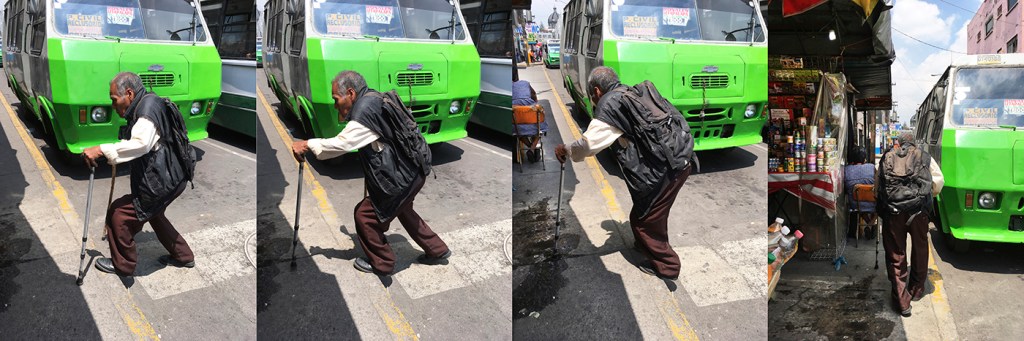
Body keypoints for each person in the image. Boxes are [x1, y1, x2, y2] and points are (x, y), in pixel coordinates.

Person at [290, 70, 450, 275]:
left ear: (351, 93)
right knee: (403, 209)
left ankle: (383, 263)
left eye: (336, 99)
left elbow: (341, 144)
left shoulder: (364, 111)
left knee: (365, 216)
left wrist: (307, 144)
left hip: (403, 178)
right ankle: (437, 249)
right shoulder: (374, 97)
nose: (335, 104)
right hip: (415, 170)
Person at [554, 66, 695, 280]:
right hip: (680, 158)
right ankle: (644, 246)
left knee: (643, 221)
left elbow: (588, 145)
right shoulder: (630, 92)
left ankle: (668, 266)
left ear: (597, 91)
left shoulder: (610, 103)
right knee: (648, 213)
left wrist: (565, 149)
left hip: (667, 171)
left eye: (592, 94)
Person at [82, 72, 195, 276]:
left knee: (118, 214)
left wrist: (101, 149)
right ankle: (183, 255)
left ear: (129, 93)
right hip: (174, 177)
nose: (113, 105)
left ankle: (123, 265)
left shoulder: (146, 110)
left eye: (114, 100)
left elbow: (141, 144)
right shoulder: (147, 101)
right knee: (155, 214)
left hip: (163, 182)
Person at [875, 132, 943, 317]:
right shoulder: (925, 157)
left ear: (899, 143)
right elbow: (938, 183)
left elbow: (878, 186)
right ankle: (917, 289)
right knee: (920, 249)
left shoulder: (887, 157)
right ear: (914, 143)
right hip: (919, 213)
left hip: (893, 213)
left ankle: (901, 300)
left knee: (896, 253)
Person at [512, 69, 546, 161]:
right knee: (539, 130)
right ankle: (532, 148)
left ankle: (530, 147)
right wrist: (534, 103)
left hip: (517, 127)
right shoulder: (525, 83)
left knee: (518, 134)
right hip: (535, 126)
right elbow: (533, 94)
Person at [844, 146, 876, 236]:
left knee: (860, 204)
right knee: (880, 206)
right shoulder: (871, 167)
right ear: (864, 158)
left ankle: (869, 224)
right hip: (873, 203)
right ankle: (870, 224)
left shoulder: (847, 170)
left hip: (855, 204)